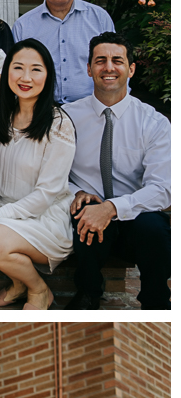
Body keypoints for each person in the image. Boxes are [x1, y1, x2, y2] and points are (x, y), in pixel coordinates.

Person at [0, 39, 76, 311]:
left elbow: (47, 195)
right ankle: (19, 282)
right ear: (6, 72)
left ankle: (39, 291)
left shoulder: (58, 123)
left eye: (36, 70)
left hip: (45, 215)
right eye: (18, 68)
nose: (25, 77)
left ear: (48, 76)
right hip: (8, 206)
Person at [63, 33, 171, 310]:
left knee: (155, 227)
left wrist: (112, 208)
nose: (108, 67)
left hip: (135, 212)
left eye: (117, 61)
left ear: (131, 69)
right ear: (89, 69)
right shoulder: (67, 118)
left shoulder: (154, 122)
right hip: (89, 210)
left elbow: (164, 188)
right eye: (100, 61)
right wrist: (78, 193)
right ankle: (88, 295)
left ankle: (156, 301)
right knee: (84, 215)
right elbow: (54, 171)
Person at [12, 0, 114, 104]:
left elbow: (115, 65)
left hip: (91, 109)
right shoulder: (23, 26)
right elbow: (15, 74)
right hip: (41, 110)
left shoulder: (99, 19)